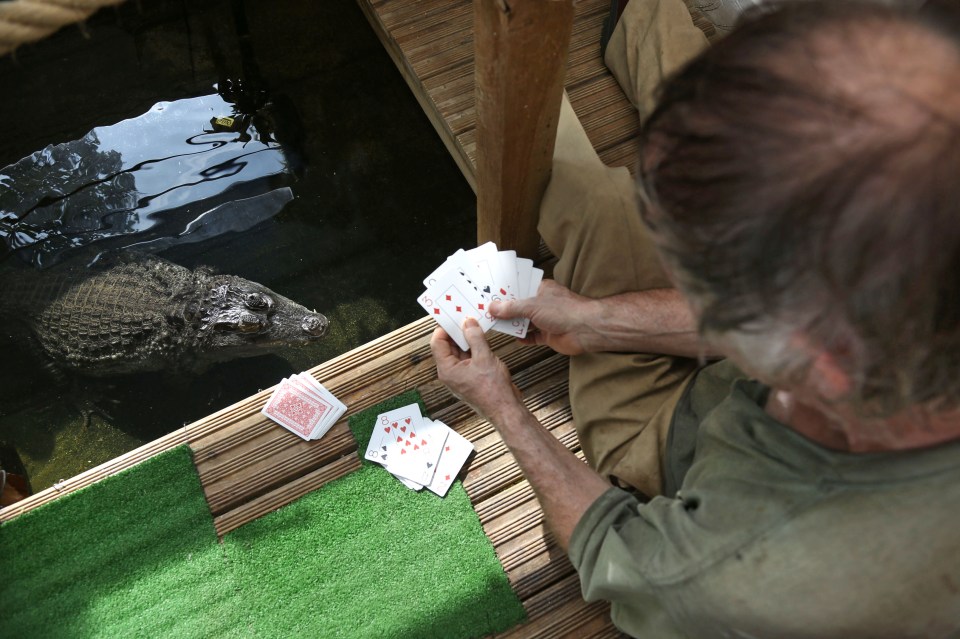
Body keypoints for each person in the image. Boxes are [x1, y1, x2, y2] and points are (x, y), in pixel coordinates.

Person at [429, 1, 960, 636]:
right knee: (735, 132)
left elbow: (602, 542)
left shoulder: (731, 574)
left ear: (813, 355)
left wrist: (501, 402)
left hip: (662, 441)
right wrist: (596, 319)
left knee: (597, 205)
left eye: (703, 291)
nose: (681, 289)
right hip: (759, 378)